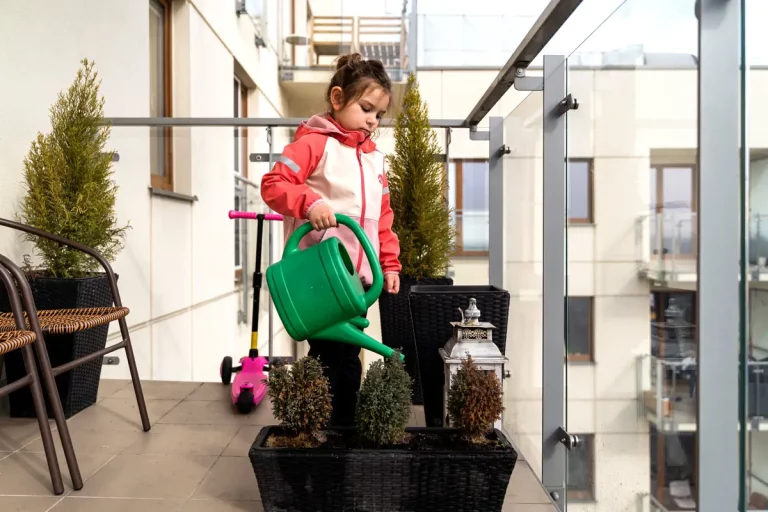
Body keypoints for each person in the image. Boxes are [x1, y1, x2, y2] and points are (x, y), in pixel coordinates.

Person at [260, 52, 402, 427]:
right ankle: (332, 432)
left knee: (347, 357)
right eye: (366, 108)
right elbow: (274, 185)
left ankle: (328, 429)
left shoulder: (375, 161)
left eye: (379, 115)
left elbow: (382, 220)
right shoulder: (315, 145)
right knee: (330, 357)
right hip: (321, 280)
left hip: (357, 284)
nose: (372, 121)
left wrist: (389, 263)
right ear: (338, 99)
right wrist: (310, 202)